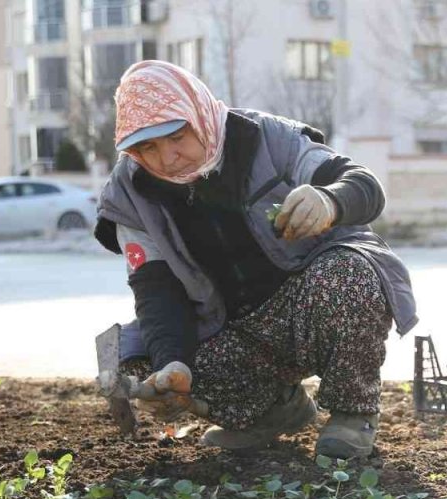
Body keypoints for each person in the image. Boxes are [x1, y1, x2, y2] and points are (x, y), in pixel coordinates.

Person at [93, 60, 417, 458]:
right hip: (234, 329)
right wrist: (172, 366)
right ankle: (272, 413)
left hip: (309, 302)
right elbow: (156, 290)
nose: (167, 158)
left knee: (348, 273)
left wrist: (331, 199)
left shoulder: (266, 138)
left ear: (199, 113)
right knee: (141, 362)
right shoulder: (129, 193)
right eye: (147, 148)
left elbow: (365, 186)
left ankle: (353, 413)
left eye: (177, 136)